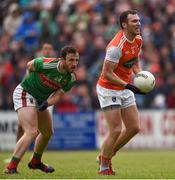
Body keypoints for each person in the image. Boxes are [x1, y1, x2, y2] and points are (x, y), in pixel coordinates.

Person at [4, 45, 79, 174]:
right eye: (71, 60)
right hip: (25, 93)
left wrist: (46, 103)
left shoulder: (70, 78)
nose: (74, 64)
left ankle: (35, 162)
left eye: (77, 60)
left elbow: (57, 96)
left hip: (39, 100)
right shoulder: (46, 64)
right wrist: (32, 80)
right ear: (62, 60)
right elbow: (29, 65)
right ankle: (11, 167)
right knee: (31, 131)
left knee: (47, 132)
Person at [96, 10, 145, 175]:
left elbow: (134, 61)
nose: (138, 23)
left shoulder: (138, 40)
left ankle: (106, 153)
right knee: (116, 130)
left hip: (123, 87)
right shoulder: (116, 47)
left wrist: (140, 75)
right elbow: (107, 73)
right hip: (108, 88)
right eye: (134, 21)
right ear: (124, 25)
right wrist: (129, 86)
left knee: (134, 127)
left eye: (138, 20)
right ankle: (104, 167)